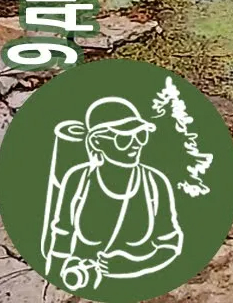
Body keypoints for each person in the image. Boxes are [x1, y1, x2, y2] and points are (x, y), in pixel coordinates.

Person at [45, 97, 183, 291]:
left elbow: (170, 244)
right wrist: (53, 282)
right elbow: (61, 236)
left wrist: (136, 265)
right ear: (97, 142)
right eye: (124, 138)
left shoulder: (155, 183)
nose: (136, 144)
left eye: (141, 135)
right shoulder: (78, 179)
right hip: (82, 285)